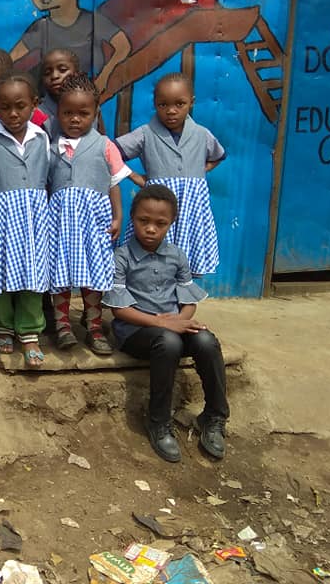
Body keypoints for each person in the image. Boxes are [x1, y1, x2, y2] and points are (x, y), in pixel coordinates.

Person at [102, 185, 228, 463]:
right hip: (136, 333)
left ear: (172, 223)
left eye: (160, 224)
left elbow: (189, 300)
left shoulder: (177, 256)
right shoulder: (121, 257)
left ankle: (214, 416)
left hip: (172, 329)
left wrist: (182, 322)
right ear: (132, 218)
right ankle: (158, 421)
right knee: (168, 341)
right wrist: (162, 323)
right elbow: (119, 310)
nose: (150, 229)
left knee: (206, 340)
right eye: (143, 221)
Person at [47, 75, 129, 355]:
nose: (74, 119)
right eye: (68, 113)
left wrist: (117, 217)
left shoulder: (105, 145)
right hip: (60, 223)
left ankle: (94, 325)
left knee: (92, 274)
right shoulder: (51, 147)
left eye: (83, 113)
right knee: (61, 274)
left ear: (95, 113)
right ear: (58, 113)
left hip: (94, 224)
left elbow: (114, 183)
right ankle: (62, 325)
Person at [0, 72, 51, 369]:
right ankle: (4, 327)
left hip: (34, 218)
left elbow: (46, 180)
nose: (13, 113)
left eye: (20, 106)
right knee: (1, 275)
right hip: (2, 216)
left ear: (33, 105)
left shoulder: (41, 137)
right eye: (5, 107)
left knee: (32, 276)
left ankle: (30, 332)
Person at [115, 72, 224, 276]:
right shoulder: (145, 133)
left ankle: (179, 300)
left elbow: (218, 154)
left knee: (186, 260)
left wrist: (203, 169)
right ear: (155, 104)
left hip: (191, 209)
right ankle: (150, 298)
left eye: (179, 104)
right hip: (157, 207)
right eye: (163, 105)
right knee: (152, 256)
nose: (171, 111)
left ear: (191, 102)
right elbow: (111, 153)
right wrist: (134, 177)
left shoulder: (201, 134)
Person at [39, 47, 79, 120]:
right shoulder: (37, 114)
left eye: (62, 70)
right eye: (47, 73)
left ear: (76, 74)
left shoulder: (90, 106)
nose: (54, 76)